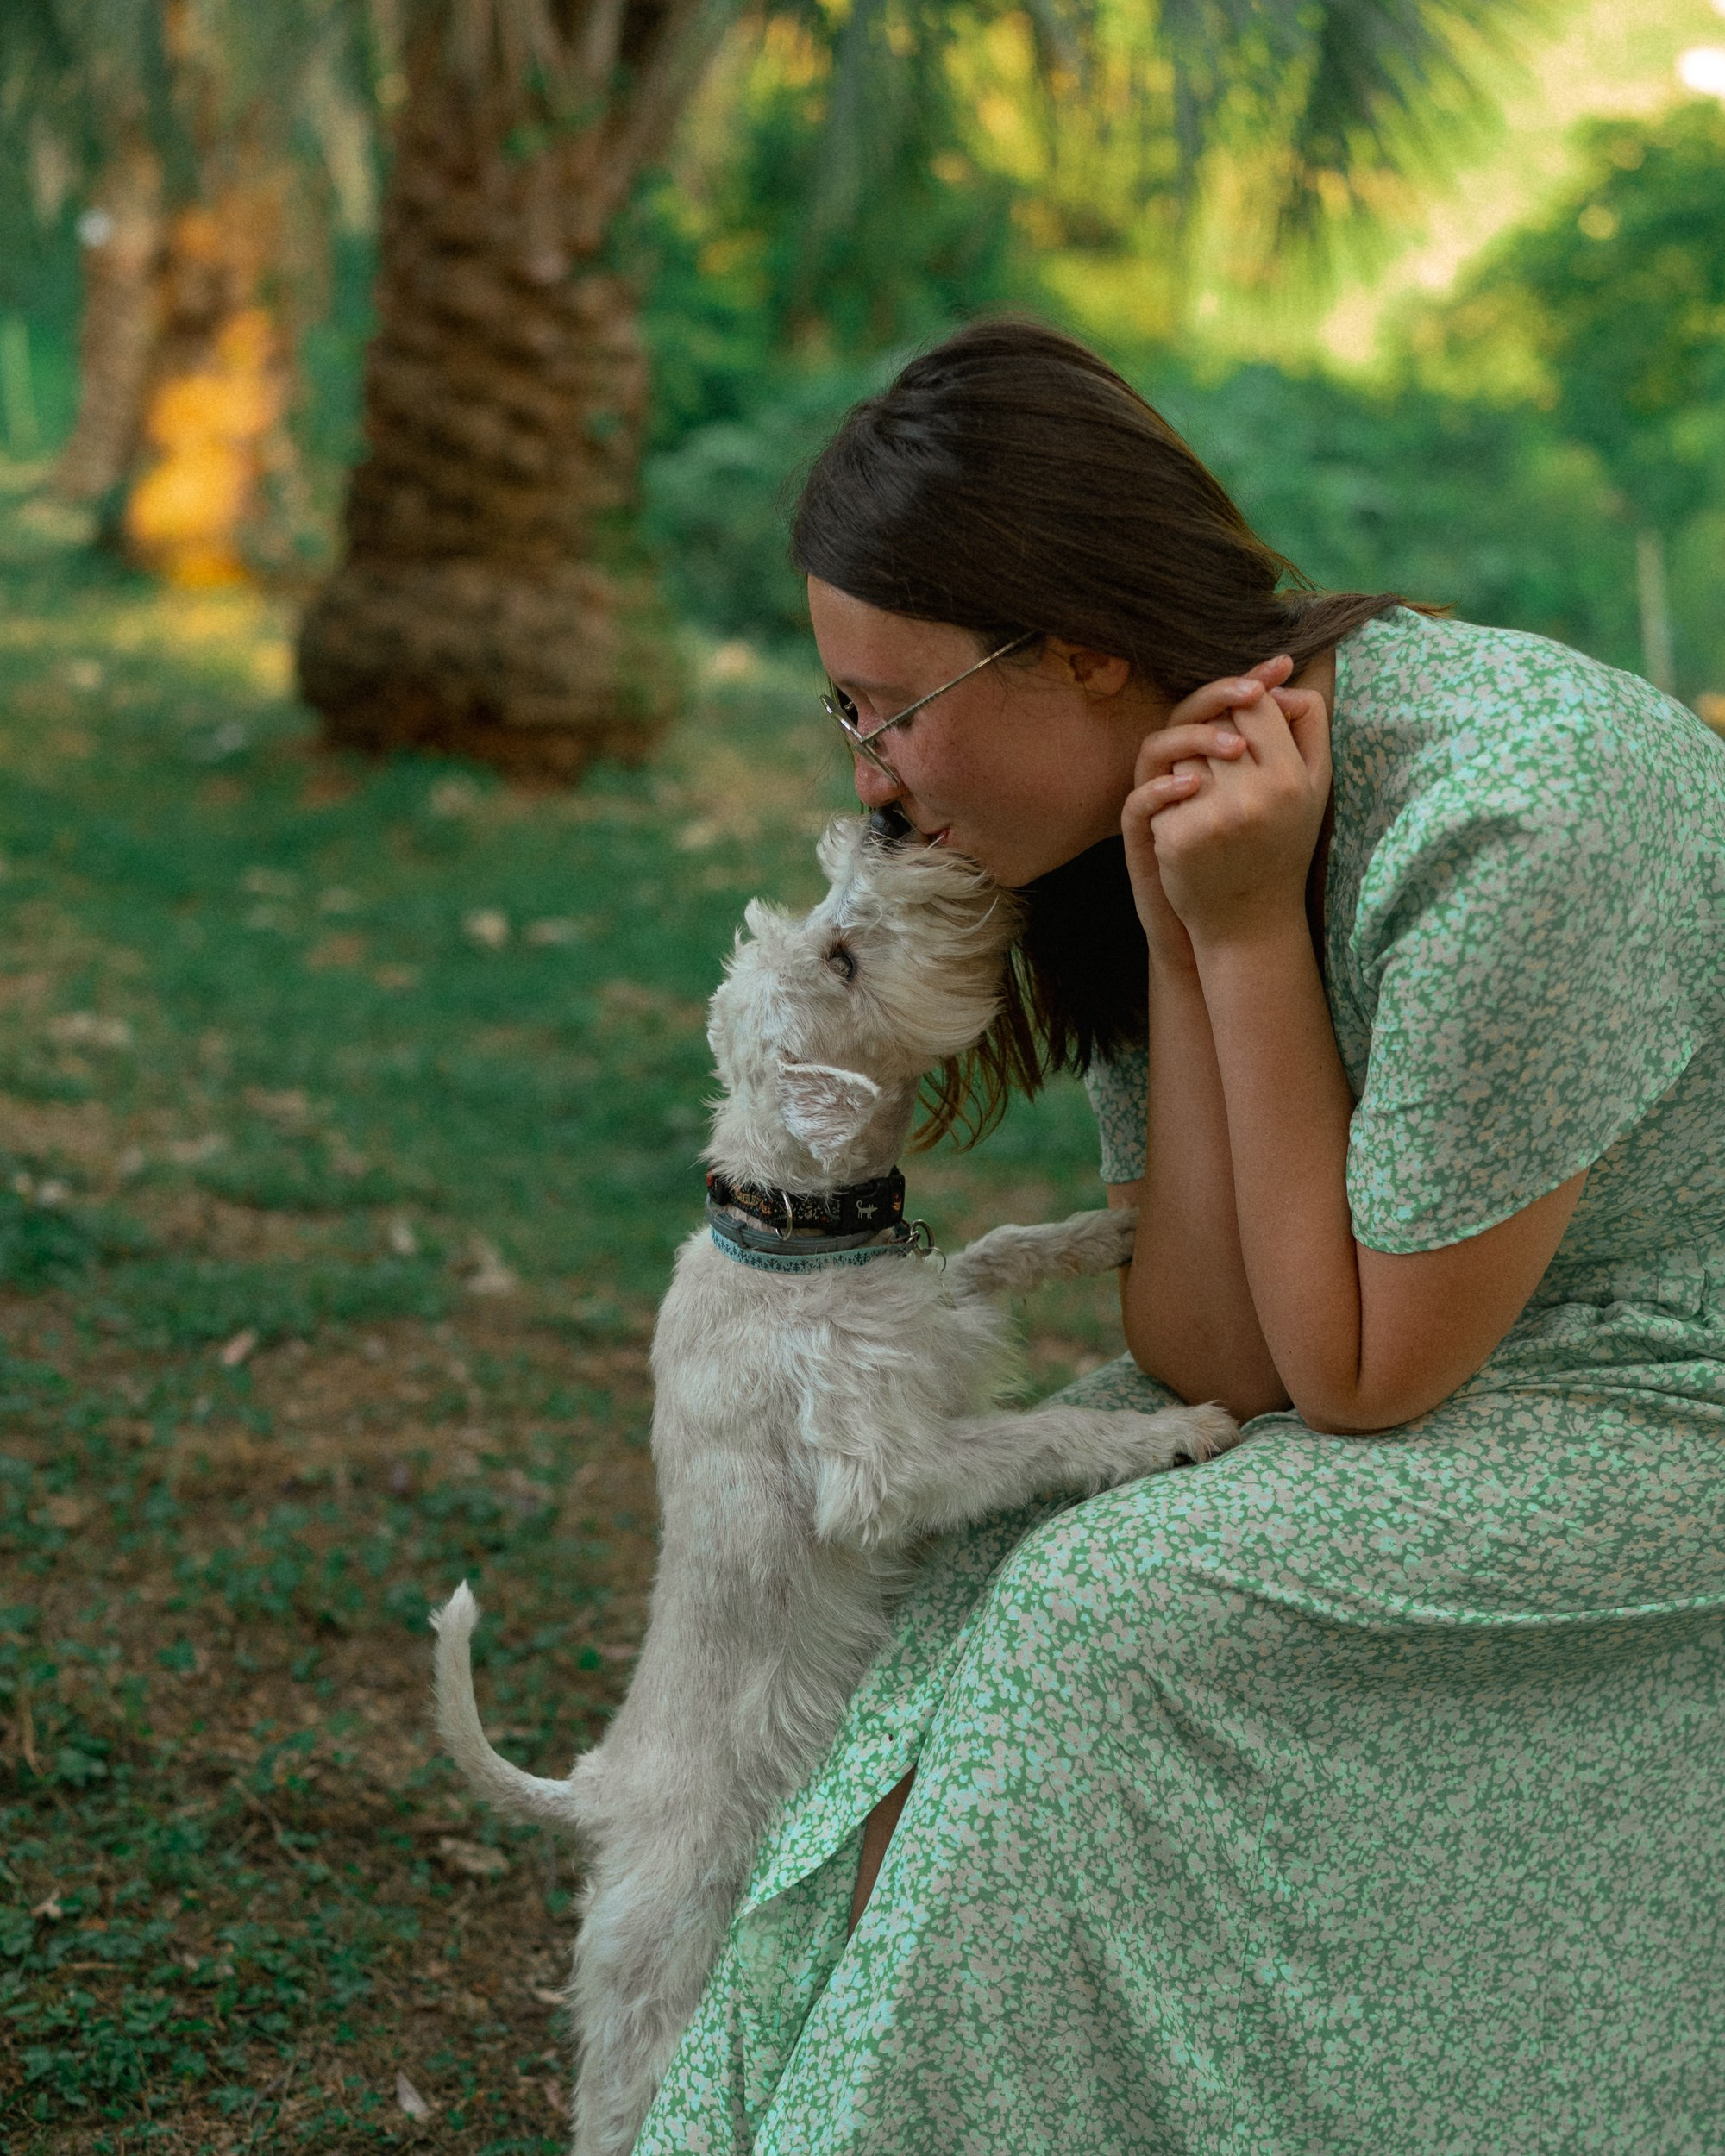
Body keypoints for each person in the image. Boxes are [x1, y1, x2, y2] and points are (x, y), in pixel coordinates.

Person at [632, 321, 1724, 2155]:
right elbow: (1214, 1352)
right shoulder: (1165, 814)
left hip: (1661, 1399)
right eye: (845, 715)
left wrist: (1241, 936)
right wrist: (1180, 930)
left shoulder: (1522, 813)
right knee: (986, 1556)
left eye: (890, 708)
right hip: (1423, 1359)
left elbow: (1358, 1379)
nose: (871, 776)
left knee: (1107, 1605)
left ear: (1081, 647)